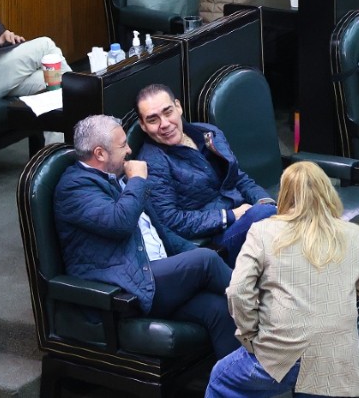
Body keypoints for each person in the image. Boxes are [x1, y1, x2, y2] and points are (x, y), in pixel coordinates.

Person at [55, 115, 238, 358]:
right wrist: (139, 180)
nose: (130, 150)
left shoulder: (120, 178)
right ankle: (272, 308)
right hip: (124, 287)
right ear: (100, 153)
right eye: (122, 146)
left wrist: (189, 252)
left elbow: (163, 233)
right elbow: (120, 222)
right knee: (205, 261)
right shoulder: (75, 188)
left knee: (218, 309)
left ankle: (233, 388)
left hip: (153, 275)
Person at [205, 161, 359, 398]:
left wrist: (250, 336)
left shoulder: (262, 231)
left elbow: (238, 291)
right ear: (327, 192)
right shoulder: (353, 234)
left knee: (220, 380)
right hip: (334, 358)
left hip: (280, 354)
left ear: (284, 195)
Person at [136, 83, 277, 267]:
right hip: (215, 239)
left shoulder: (207, 133)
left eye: (168, 112)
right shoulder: (152, 163)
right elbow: (171, 221)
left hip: (250, 214)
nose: (164, 124)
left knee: (298, 208)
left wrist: (266, 202)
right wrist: (231, 215)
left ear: (178, 107)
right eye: (153, 120)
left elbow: (240, 178)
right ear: (143, 125)